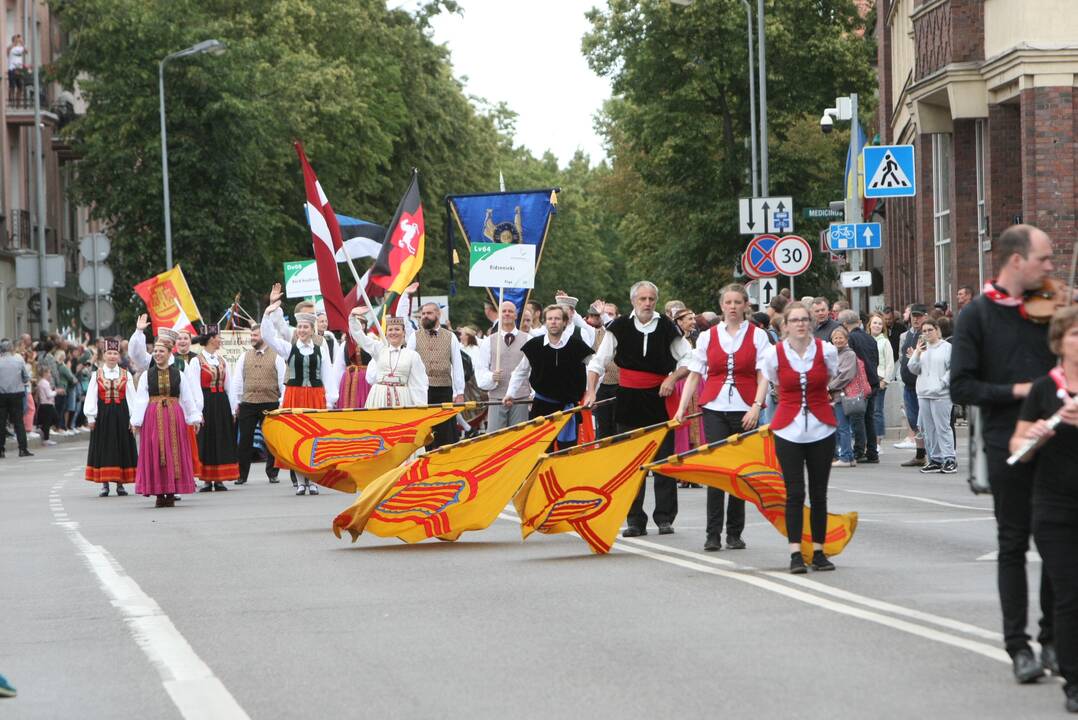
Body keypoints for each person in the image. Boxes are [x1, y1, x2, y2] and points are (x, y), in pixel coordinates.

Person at [950, 224, 1058, 682]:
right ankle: (1019, 646)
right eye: (1044, 259)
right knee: (1013, 543)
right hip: (1006, 442)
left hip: (1057, 440)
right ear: (1017, 261)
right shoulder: (976, 316)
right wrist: (1022, 390)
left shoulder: (1053, 309)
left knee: (1059, 542)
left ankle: (1054, 637)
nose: (1051, 268)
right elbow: (962, 385)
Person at [1010, 305, 1078, 713]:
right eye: (1073, 334)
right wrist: (1041, 433)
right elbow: (1017, 449)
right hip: (1054, 506)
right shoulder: (1043, 388)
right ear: (1058, 342)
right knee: (1070, 593)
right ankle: (1073, 680)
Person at [584, 280, 691, 537]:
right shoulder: (618, 327)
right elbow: (598, 362)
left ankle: (664, 518)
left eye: (651, 299)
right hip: (628, 399)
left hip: (658, 398)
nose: (647, 303)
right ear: (633, 301)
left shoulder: (667, 327)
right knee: (632, 463)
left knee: (662, 461)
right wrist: (590, 391)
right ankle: (634, 519)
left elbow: (690, 359)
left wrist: (672, 378)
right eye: (642, 299)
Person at [674, 284, 769, 552]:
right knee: (717, 471)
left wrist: (756, 406)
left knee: (738, 472)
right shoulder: (708, 336)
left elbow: (763, 374)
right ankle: (712, 533)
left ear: (745, 305)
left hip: (745, 408)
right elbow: (694, 374)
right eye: (728, 302)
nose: (733, 307)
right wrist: (682, 409)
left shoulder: (758, 336)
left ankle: (734, 533)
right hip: (714, 407)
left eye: (738, 302)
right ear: (722, 306)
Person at [760, 302, 839, 573]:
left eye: (805, 319)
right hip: (788, 429)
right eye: (795, 320)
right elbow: (774, 381)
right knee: (794, 493)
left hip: (821, 427)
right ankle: (795, 552)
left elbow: (830, 375)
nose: (801, 324)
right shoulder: (774, 354)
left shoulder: (825, 350)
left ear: (811, 323)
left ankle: (818, 550)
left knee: (819, 493)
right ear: (786, 325)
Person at [262, 283, 338, 495]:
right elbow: (268, 336)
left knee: (313, 439)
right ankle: (301, 481)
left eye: (306, 327)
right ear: (297, 330)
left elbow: (327, 373)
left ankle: (312, 481)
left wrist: (330, 400)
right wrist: (269, 310)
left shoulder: (320, 347)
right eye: (300, 327)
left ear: (312, 330)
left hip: (314, 396)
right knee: (297, 439)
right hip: (294, 396)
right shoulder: (289, 348)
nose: (303, 330)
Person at [129, 338, 203, 508]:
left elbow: (187, 397)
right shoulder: (147, 375)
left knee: (173, 452)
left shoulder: (179, 374)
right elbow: (141, 399)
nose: (157, 354)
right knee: (155, 451)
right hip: (153, 417)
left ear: (170, 353)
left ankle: (170, 491)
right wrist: (136, 421)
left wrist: (194, 418)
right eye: (155, 351)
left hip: (174, 416)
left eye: (161, 351)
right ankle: (158, 492)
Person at [505, 305, 594, 426]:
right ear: (545, 322)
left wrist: (591, 392)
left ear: (565, 322)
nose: (553, 322)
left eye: (557, 319)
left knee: (567, 445)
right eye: (550, 319)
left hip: (568, 408)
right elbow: (520, 372)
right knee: (542, 445)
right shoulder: (534, 346)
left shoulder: (578, 346)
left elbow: (595, 367)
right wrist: (511, 393)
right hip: (541, 408)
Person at [229, 324, 285, 485]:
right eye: (251, 335)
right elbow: (238, 381)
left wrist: (281, 402)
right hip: (248, 403)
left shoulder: (277, 356)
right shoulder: (244, 356)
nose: (252, 338)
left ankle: (272, 473)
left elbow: (282, 380)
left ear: (265, 336)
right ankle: (242, 475)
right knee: (244, 440)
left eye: (255, 335)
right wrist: (237, 402)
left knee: (272, 440)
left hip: (271, 402)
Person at [83, 338, 138, 496]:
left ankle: (120, 483)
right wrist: (91, 417)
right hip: (103, 416)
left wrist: (133, 418)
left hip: (121, 415)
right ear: (104, 355)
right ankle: (105, 484)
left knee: (121, 447)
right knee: (104, 448)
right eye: (109, 353)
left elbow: (131, 397)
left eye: (115, 353)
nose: (112, 356)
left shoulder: (125, 374)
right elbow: (91, 396)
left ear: (119, 355)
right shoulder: (97, 374)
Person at [189, 325, 240, 492]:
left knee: (221, 438)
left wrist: (232, 409)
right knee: (207, 439)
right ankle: (206, 479)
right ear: (211, 339)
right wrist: (197, 410)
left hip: (221, 403)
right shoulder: (196, 361)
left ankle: (219, 478)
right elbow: (194, 387)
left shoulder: (222, 361)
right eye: (218, 337)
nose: (220, 340)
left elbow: (229, 386)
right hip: (206, 402)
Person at [409, 302, 464, 447]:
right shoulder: (414, 336)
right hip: (422, 390)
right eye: (423, 314)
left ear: (438, 314)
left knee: (445, 429)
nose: (425, 316)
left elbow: (458, 365)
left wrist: (460, 392)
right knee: (424, 428)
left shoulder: (450, 337)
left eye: (429, 313)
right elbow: (408, 363)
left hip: (444, 389)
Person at [349, 315, 428, 408]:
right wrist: (353, 319)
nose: (393, 332)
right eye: (390, 330)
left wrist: (421, 406)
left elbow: (419, 383)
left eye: (397, 329)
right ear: (386, 333)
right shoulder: (379, 349)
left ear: (404, 333)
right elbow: (361, 338)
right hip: (379, 396)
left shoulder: (412, 356)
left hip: (403, 397)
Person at [908, 319, 956, 473]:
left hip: (941, 394)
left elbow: (953, 368)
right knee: (928, 429)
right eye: (924, 331)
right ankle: (935, 458)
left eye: (930, 330)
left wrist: (942, 383)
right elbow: (913, 369)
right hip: (923, 393)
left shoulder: (947, 347)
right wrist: (916, 353)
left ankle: (949, 458)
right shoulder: (923, 348)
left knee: (942, 427)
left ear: (937, 330)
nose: (927, 333)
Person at [476, 301, 530, 432]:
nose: (507, 314)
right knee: (495, 437)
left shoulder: (528, 339)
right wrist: (491, 377)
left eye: (510, 311)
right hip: (496, 396)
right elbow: (480, 368)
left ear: (516, 315)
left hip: (520, 397)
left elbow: (533, 370)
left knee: (519, 437)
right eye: (504, 311)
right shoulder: (489, 341)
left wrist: (532, 393)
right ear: (499, 315)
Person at [839, 310, 880, 464]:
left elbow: (851, 364)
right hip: (872, 382)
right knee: (869, 418)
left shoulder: (851, 339)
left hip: (859, 385)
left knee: (858, 418)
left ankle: (859, 451)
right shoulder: (870, 338)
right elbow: (875, 360)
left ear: (844, 325)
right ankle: (872, 451)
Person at [898, 304, 929, 466]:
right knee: (913, 420)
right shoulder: (909, 334)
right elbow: (903, 357)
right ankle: (920, 455)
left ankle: (935, 455)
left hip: (921, 385)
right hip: (908, 385)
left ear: (925, 316)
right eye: (913, 316)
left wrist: (915, 356)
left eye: (919, 316)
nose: (915, 319)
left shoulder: (926, 334)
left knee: (925, 422)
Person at [828, 326, 859, 467]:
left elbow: (846, 375)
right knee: (839, 426)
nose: (838, 340)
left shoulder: (849, 354)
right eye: (836, 338)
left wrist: (829, 386)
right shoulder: (832, 354)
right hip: (834, 395)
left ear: (846, 339)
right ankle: (849, 456)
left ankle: (845, 456)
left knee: (843, 427)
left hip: (842, 395)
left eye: (841, 338)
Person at [868, 312, 895, 454]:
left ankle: (878, 442)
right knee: (867, 412)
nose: (877, 325)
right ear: (869, 325)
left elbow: (890, 363)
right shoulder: (865, 340)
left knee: (877, 411)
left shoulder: (885, 342)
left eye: (880, 323)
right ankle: (869, 441)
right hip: (867, 380)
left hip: (879, 380)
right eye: (874, 323)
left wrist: (885, 380)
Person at [0, 339, 31, 458]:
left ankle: (1, 450)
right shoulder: (18, 359)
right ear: (11, 348)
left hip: (1, 395)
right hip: (16, 393)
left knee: (1, 422)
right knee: (19, 422)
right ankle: (22, 449)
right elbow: (25, 377)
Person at [36, 367, 58, 445]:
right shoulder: (45, 382)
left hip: (45, 404)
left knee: (50, 420)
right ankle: (46, 438)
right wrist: (56, 392)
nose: (50, 375)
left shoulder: (41, 382)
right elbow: (49, 394)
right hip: (47, 404)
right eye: (49, 373)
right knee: (49, 421)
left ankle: (43, 432)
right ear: (45, 373)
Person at [7, 34, 25, 103]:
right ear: (13, 40)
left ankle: (18, 103)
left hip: (19, 69)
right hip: (12, 69)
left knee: (20, 87)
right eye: (16, 39)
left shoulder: (20, 48)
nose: (18, 40)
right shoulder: (10, 47)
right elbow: (7, 52)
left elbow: (26, 51)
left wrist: (22, 42)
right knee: (12, 87)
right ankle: (11, 102)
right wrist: (14, 42)